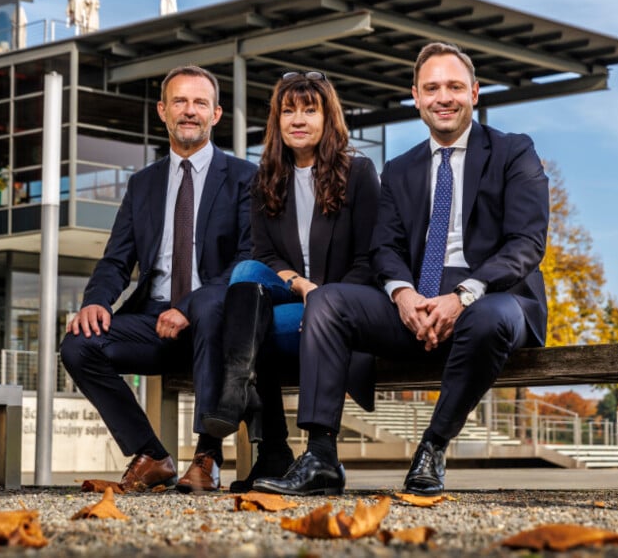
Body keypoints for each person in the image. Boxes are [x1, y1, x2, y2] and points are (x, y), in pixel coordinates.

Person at [254, 42, 550, 497]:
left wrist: (463, 295)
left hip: (494, 297)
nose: (443, 97)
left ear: (475, 92)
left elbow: (526, 243)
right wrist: (403, 294)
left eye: (454, 86)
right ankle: (320, 457)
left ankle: (432, 447)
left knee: (489, 318)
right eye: (432, 88)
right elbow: (384, 248)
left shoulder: (514, 153)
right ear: (416, 96)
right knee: (329, 300)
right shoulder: (398, 169)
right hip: (412, 303)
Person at [60, 65, 256, 494]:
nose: (190, 111)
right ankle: (152, 454)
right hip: (153, 321)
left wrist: (188, 307)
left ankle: (206, 456)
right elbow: (116, 260)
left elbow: (246, 260)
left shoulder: (245, 177)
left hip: (217, 323)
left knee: (207, 306)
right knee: (78, 344)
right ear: (162, 111)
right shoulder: (143, 184)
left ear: (216, 114)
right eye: (180, 102)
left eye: (200, 103)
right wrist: (97, 302)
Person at [200, 71, 380, 492]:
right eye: (288, 110)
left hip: (344, 311)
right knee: (246, 275)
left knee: (246, 318)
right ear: (277, 121)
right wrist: (301, 286)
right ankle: (253, 414)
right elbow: (263, 255)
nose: (298, 119)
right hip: (291, 296)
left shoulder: (359, 172)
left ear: (327, 117)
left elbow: (371, 259)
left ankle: (268, 443)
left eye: (309, 110)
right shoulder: (266, 179)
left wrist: (325, 305)